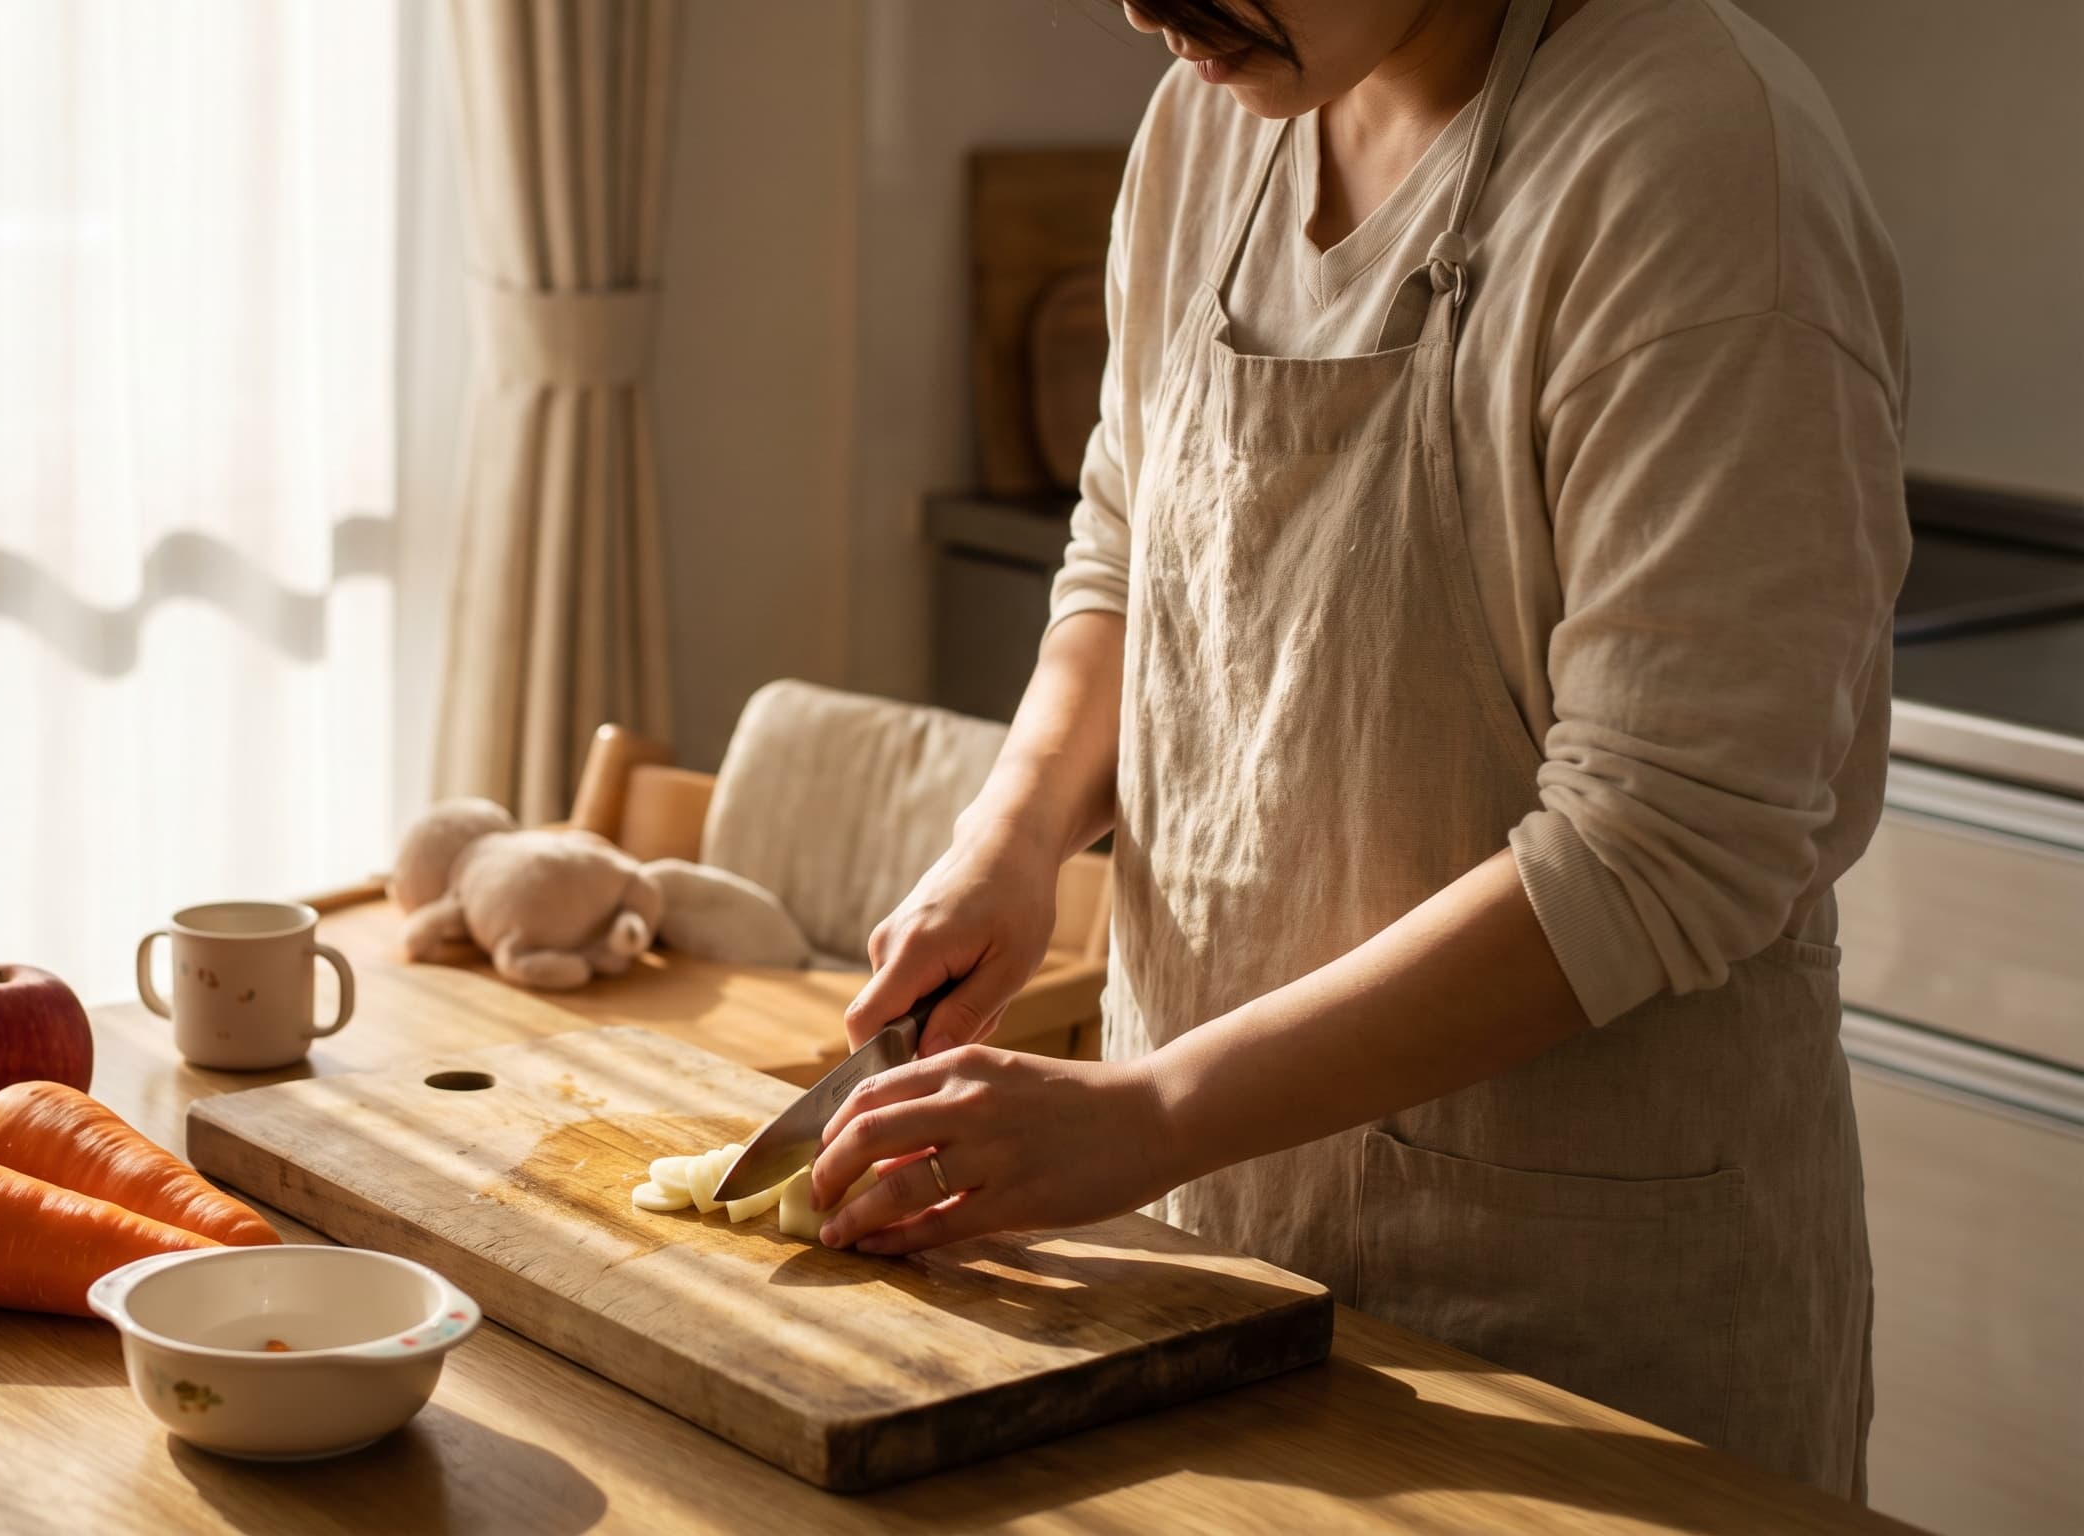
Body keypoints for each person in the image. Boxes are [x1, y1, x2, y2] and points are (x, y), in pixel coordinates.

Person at [808, 0, 1904, 1497]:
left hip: (1567, 1355)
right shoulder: (1216, 118)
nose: (1144, 8)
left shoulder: (1699, 165)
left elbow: (1663, 839)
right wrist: (1012, 836)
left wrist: (1156, 1113)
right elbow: (1128, 551)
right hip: (1204, 1256)